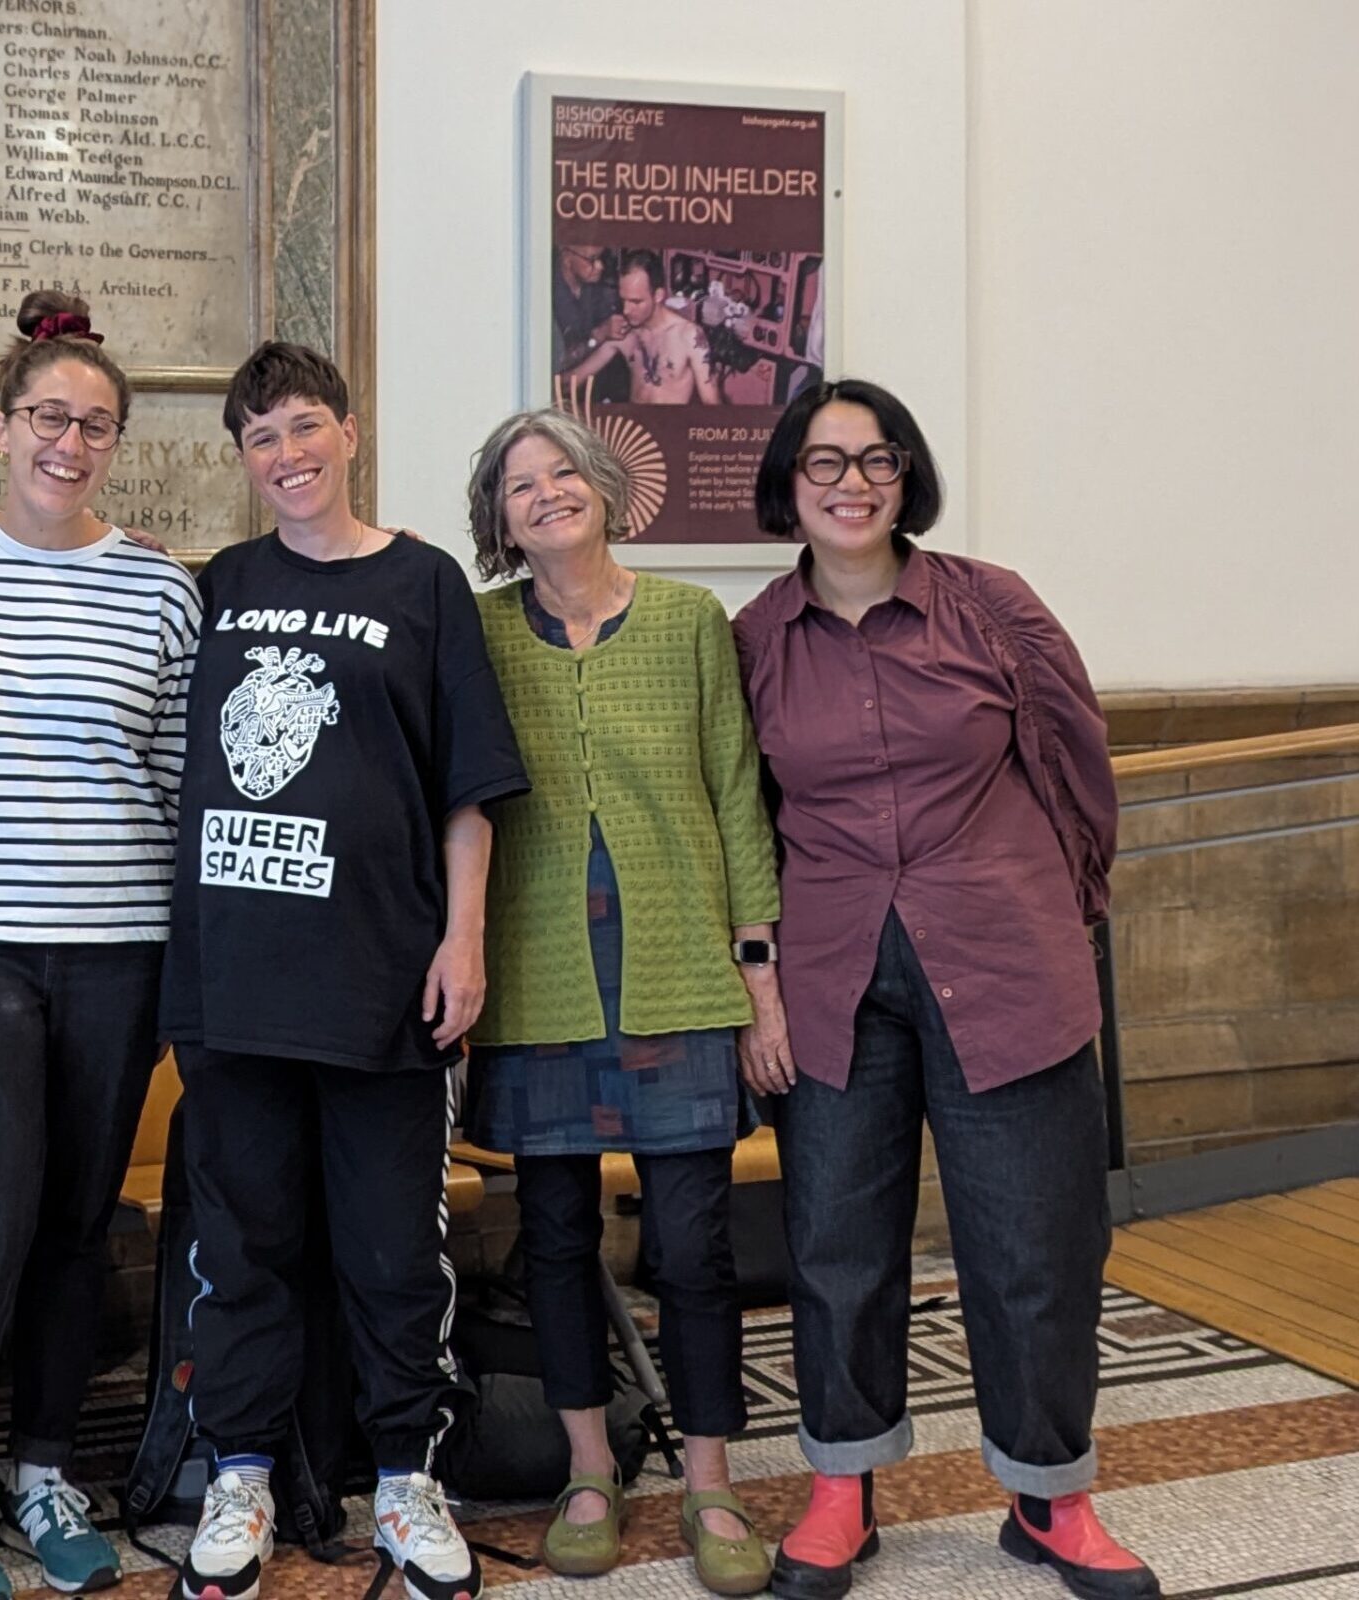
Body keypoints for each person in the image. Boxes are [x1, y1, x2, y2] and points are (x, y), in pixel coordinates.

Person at [733, 380, 1154, 1600]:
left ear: (906, 476)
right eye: (823, 463)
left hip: (1005, 959)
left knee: (1033, 1246)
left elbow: (1077, 763)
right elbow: (745, 819)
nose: (850, 483)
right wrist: (756, 982)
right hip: (832, 977)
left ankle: (1049, 1496)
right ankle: (839, 1489)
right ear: (787, 484)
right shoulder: (755, 636)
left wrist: (1061, 915)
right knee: (834, 1246)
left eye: (874, 460)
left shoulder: (992, 606)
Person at [162, 342, 527, 1600]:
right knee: (244, 1242)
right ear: (244, 459)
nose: (286, 453)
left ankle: (406, 1476)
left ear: (350, 431)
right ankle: (243, 1471)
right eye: (260, 437)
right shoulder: (219, 584)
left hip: (381, 978)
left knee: (390, 1252)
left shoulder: (425, 583)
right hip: (231, 979)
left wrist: (462, 936)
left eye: (303, 425)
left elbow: (469, 789)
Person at [0, 290, 201, 1600]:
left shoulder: (163, 591)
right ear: (3, 427)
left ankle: (48, 1466)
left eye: (96, 425)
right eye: (49, 417)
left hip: (120, 946)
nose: (70, 442)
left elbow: (186, 787)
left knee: (82, 1222)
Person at [457, 410, 785, 1596]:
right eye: (516, 485)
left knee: (694, 1247)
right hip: (539, 977)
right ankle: (587, 1467)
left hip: (678, 977)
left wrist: (760, 971)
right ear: (496, 518)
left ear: (603, 486)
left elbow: (736, 794)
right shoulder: (479, 631)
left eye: (560, 475)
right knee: (548, 1241)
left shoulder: (692, 620)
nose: (543, 495)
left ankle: (706, 1477)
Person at [562, 251, 722, 405]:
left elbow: (712, 405)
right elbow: (571, 382)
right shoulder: (624, 332)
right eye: (623, 300)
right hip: (632, 430)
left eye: (636, 302)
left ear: (658, 296)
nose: (626, 310)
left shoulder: (689, 335)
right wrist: (598, 335)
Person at [550, 244, 622, 374]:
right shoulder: (547, 296)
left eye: (602, 258)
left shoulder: (597, 289)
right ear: (567, 259)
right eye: (592, 259)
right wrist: (598, 336)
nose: (600, 266)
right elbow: (557, 362)